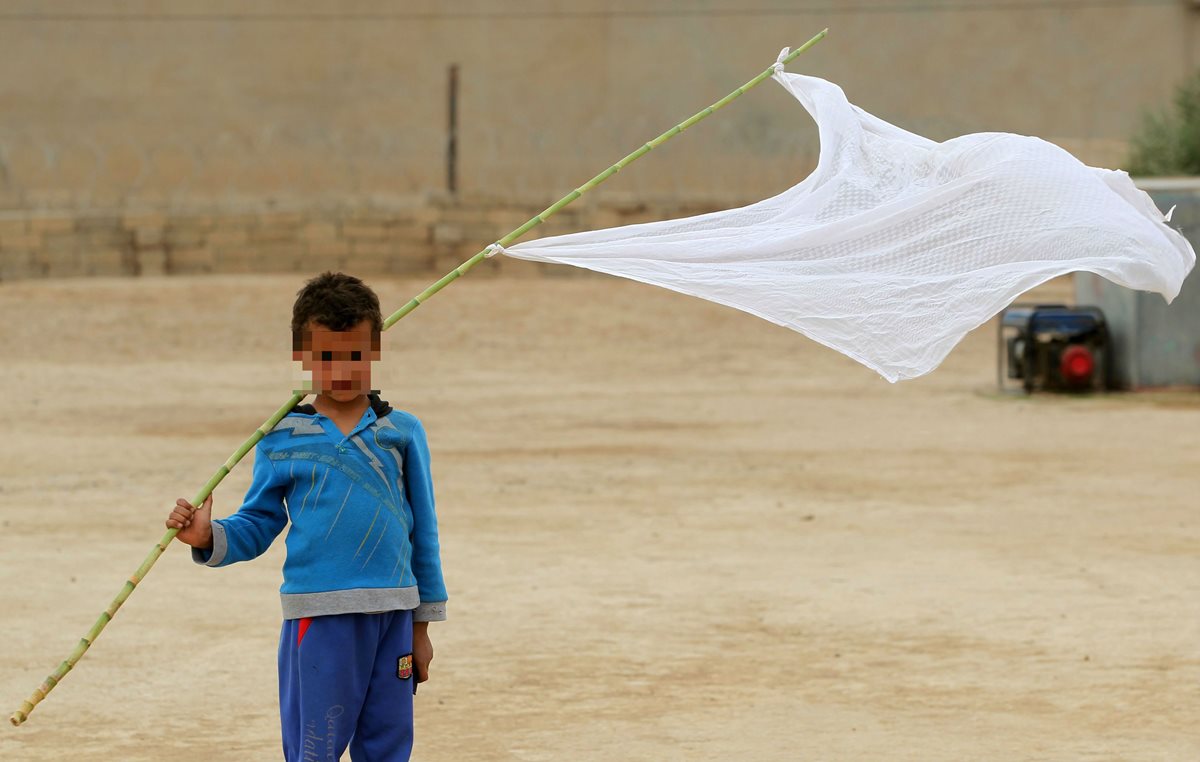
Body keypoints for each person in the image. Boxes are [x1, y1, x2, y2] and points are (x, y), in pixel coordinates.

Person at [166, 271, 447, 762]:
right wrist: (207, 534)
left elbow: (424, 530)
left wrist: (421, 627)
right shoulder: (281, 438)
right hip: (319, 617)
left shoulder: (401, 431)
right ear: (302, 357)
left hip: (394, 615)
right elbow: (260, 523)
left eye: (356, 356)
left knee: (389, 744)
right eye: (326, 358)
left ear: (376, 350)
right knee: (314, 748)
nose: (342, 370)